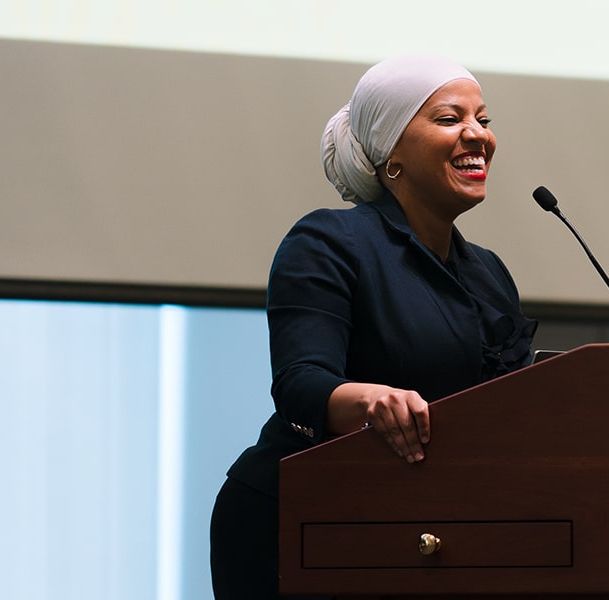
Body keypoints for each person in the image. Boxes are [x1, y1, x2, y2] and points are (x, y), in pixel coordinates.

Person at [209, 54, 538, 599]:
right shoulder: (330, 242)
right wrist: (369, 400)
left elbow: (506, 406)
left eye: (483, 119)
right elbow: (301, 382)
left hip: (424, 528)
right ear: (392, 155)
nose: (477, 135)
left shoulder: (488, 271)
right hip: (301, 520)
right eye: (449, 119)